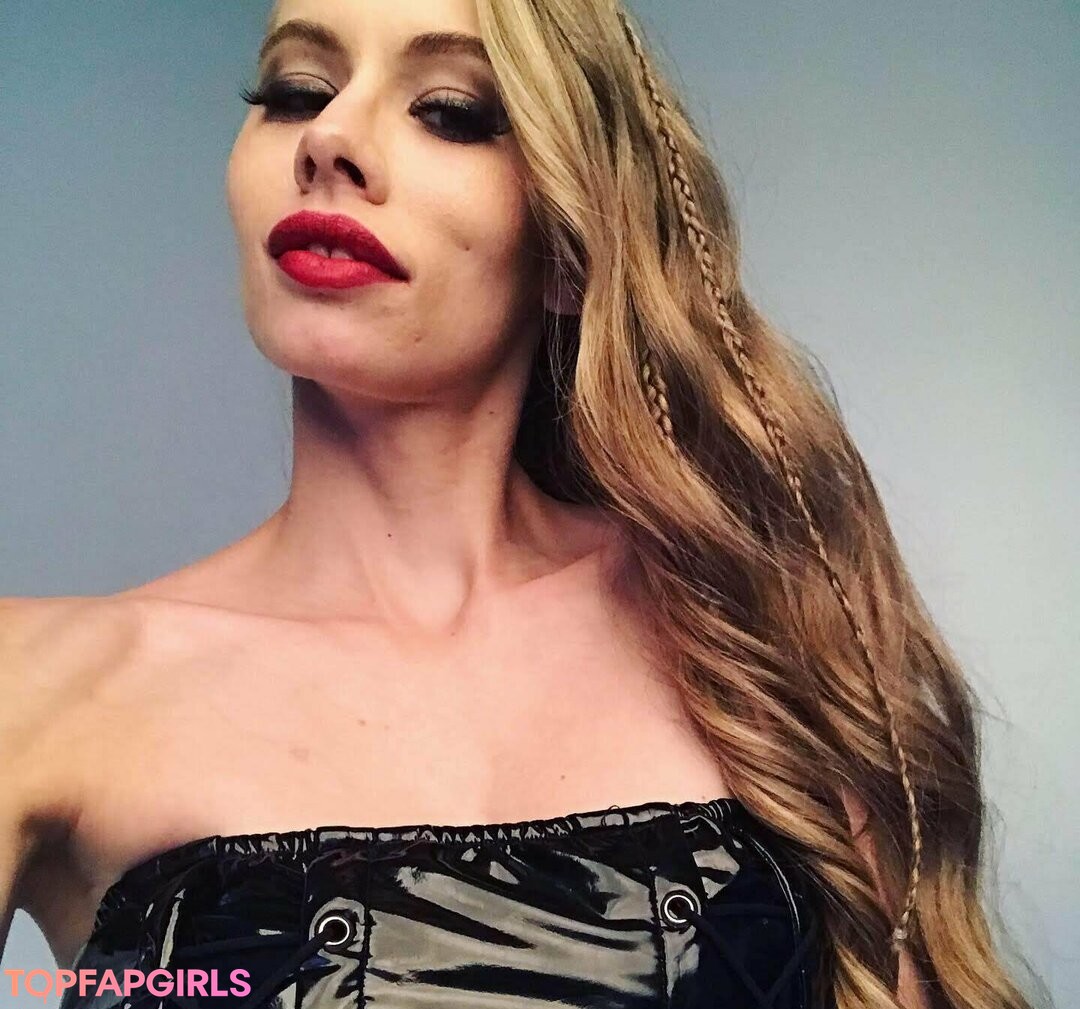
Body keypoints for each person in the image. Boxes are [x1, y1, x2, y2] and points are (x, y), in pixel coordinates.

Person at [0, 1, 1041, 1008]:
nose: (328, 139)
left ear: (570, 246)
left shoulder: (757, 640)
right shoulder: (36, 687)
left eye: (449, 111)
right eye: (296, 90)